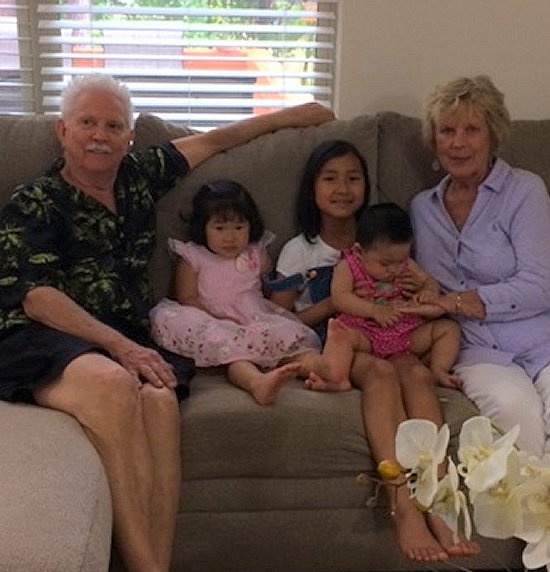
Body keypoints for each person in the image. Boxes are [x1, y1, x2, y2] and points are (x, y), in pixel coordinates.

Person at [0, 73, 334, 572]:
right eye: (87, 123)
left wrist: (294, 116)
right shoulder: (36, 201)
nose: (100, 135)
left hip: (123, 337)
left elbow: (216, 140)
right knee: (115, 384)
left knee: (159, 400)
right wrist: (121, 346)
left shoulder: (138, 176)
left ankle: (154, 563)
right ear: (62, 131)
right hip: (44, 336)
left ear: (129, 137)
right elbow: (37, 299)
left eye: (113, 126)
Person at [271, 139, 479, 562]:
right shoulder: (300, 250)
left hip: (393, 333)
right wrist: (341, 304)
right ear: (312, 188)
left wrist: (416, 291)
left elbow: (423, 288)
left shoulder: (386, 240)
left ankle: (438, 497)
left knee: (416, 375)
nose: (342, 188)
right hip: (342, 339)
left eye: (353, 178)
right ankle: (402, 504)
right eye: (330, 178)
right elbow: (279, 319)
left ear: (366, 185)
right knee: (382, 376)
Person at [409, 75, 550, 460]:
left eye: (471, 130)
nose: (458, 143)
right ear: (434, 139)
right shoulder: (422, 209)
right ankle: (529, 504)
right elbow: (420, 280)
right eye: (447, 131)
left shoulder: (525, 190)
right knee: (514, 416)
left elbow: (539, 286)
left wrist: (454, 302)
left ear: (493, 135)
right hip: (478, 346)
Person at [149, 180, 321, 406]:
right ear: (203, 227)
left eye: (239, 228)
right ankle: (257, 383)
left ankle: (323, 369)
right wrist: (219, 319)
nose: (230, 237)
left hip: (252, 316)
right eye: (220, 228)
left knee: (289, 344)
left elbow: (269, 287)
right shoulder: (193, 256)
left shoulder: (255, 253)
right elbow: (187, 298)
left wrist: (293, 284)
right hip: (210, 317)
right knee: (235, 355)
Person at [318, 202, 462, 392]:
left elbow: (430, 282)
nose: (394, 269)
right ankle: (337, 377)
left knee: (449, 329)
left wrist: (427, 291)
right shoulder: (348, 266)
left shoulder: (407, 265)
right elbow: (340, 298)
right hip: (365, 331)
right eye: (385, 264)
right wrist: (373, 310)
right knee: (340, 335)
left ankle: (438, 370)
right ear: (359, 251)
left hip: (405, 331)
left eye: (401, 261)